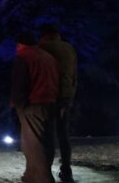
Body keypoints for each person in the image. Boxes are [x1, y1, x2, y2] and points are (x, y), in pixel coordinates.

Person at [11, 32, 59, 183]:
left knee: (33, 144)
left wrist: (19, 105)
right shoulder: (48, 57)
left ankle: (43, 178)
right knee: (45, 140)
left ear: (20, 45)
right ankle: (31, 175)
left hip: (33, 104)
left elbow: (20, 83)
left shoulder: (24, 57)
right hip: (50, 102)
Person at [38, 24, 78, 182]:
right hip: (66, 97)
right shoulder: (69, 49)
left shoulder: (41, 48)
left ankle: (45, 172)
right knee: (63, 135)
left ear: (45, 35)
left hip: (48, 96)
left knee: (46, 135)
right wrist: (70, 95)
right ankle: (66, 170)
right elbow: (74, 74)